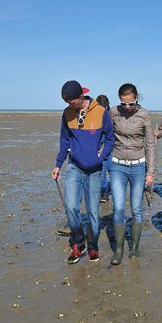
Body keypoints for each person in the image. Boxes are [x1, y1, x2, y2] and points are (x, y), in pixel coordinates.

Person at [52, 80, 114, 264]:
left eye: (71, 101)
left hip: (94, 170)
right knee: (71, 207)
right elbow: (64, 140)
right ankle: (78, 244)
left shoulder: (101, 112)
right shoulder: (67, 113)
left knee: (93, 212)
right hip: (74, 167)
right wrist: (58, 164)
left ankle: (93, 247)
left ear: (80, 96)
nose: (69, 105)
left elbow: (110, 139)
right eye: (66, 102)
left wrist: (100, 157)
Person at [109, 83, 156, 265]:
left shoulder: (145, 115)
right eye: (123, 104)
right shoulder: (113, 113)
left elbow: (150, 145)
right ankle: (119, 249)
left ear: (136, 99)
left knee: (136, 208)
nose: (127, 108)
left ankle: (134, 247)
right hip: (117, 165)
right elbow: (106, 136)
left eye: (131, 104)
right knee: (119, 208)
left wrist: (150, 172)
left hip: (138, 166)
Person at [96, 94, 112, 203]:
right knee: (102, 171)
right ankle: (103, 193)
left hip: (111, 146)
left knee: (113, 171)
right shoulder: (95, 114)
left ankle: (111, 189)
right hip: (100, 146)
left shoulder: (111, 115)